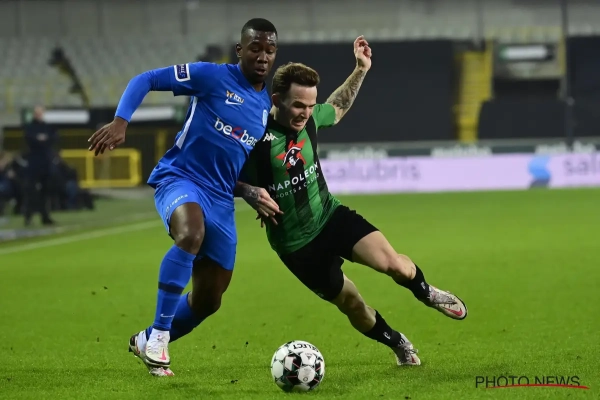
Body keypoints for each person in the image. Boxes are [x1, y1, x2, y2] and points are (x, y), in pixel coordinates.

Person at [235, 37, 468, 366]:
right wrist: (250, 192)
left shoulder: (311, 118)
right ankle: (397, 343)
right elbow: (218, 178)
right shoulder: (253, 137)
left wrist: (361, 69)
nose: (306, 113)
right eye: (298, 105)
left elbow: (338, 106)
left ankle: (426, 292)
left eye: (310, 105)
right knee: (353, 304)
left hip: (331, 217)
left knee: (395, 265)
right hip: (296, 246)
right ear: (277, 100)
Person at [87, 18, 282, 377]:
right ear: (240, 50)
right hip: (180, 179)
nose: (262, 56)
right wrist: (120, 121)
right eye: (255, 48)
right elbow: (145, 79)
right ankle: (160, 338)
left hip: (221, 199)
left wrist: (250, 192)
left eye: (269, 50)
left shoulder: (262, 109)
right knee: (191, 234)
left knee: (209, 299)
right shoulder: (211, 76)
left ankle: (146, 339)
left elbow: (231, 168)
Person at [23, 105, 57, 226]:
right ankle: (28, 216)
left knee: (45, 191)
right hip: (34, 163)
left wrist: (41, 140)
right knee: (31, 191)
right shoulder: (30, 127)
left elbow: (53, 138)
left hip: (45, 163)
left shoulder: (47, 126)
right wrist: (41, 140)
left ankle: (45, 216)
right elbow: (30, 139)